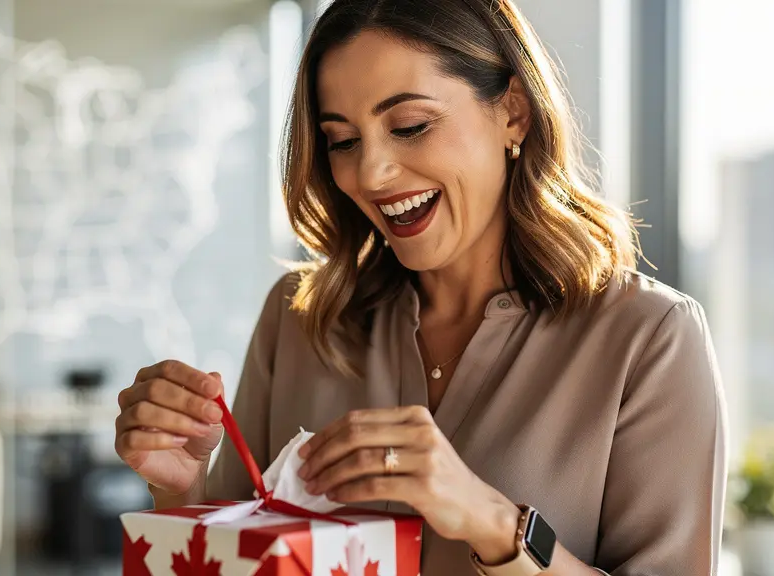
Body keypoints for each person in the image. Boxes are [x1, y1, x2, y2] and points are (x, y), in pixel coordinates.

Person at [114, 0, 727, 574]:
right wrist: (180, 488)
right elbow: (232, 559)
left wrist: (495, 524)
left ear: (513, 111)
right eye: (342, 141)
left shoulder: (649, 340)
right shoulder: (297, 319)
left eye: (409, 125)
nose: (371, 173)